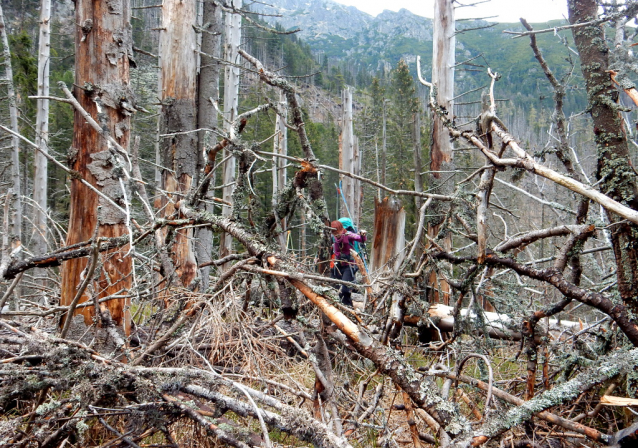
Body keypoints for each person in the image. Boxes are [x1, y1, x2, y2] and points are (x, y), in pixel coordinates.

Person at [330, 220, 367, 307]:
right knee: (336, 289)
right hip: (338, 265)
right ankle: (344, 306)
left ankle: (348, 308)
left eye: (337, 232)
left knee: (344, 290)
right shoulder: (333, 237)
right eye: (334, 233)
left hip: (349, 266)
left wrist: (363, 234)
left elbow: (360, 239)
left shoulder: (349, 234)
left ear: (341, 229)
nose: (336, 235)